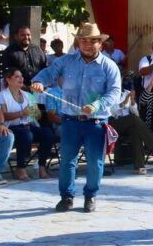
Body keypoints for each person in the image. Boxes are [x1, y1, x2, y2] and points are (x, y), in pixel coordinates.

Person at [30, 23, 122, 213]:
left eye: (93, 41)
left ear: (100, 44)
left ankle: (90, 196)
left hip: (96, 122)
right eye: (84, 40)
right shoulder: (65, 61)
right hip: (70, 121)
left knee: (95, 162)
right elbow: (49, 73)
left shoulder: (109, 66)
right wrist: (39, 81)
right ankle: (67, 197)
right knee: (67, 161)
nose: (88, 44)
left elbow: (114, 92)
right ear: (78, 42)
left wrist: (96, 105)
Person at [0, 68, 54, 181]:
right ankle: (20, 168)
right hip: (11, 127)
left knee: (48, 134)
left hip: (28, 125)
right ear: (8, 79)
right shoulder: (1, 95)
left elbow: (37, 116)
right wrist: (22, 113)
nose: (21, 79)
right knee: (26, 135)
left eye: (21, 76)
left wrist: (34, 112)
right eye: (17, 76)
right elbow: (3, 116)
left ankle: (41, 166)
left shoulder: (28, 95)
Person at [110, 90, 153, 174]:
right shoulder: (110, 93)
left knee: (135, 130)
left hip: (128, 123)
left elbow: (136, 113)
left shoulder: (126, 93)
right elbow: (111, 111)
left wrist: (132, 101)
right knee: (133, 118)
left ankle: (139, 166)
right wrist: (124, 102)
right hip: (113, 123)